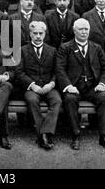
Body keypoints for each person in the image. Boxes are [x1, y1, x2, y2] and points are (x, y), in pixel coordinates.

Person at [56, 19, 105, 151]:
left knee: (104, 97)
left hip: (93, 87)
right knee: (70, 99)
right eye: (80, 29)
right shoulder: (65, 48)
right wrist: (68, 86)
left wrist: (102, 84)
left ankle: (104, 136)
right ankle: (75, 135)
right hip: (74, 87)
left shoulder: (97, 48)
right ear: (74, 31)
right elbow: (60, 70)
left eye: (86, 29)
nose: (83, 32)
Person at [15, 21, 61, 150]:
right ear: (30, 34)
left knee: (57, 100)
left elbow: (57, 71)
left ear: (45, 34)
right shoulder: (22, 50)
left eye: (41, 33)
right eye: (35, 33)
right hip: (31, 87)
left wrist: (51, 84)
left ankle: (45, 132)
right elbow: (19, 72)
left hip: (48, 86)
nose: (38, 36)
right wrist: (32, 85)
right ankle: (44, 135)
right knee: (32, 100)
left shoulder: (52, 50)